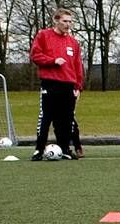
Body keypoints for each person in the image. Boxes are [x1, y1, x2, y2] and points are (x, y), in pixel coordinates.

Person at [29, 8, 83, 160]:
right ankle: (39, 149)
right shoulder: (43, 35)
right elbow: (35, 55)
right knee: (46, 117)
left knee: (66, 119)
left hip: (68, 85)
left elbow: (78, 65)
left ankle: (65, 149)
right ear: (56, 20)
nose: (68, 24)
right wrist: (52, 61)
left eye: (70, 21)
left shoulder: (73, 42)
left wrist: (78, 86)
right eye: (65, 21)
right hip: (50, 83)